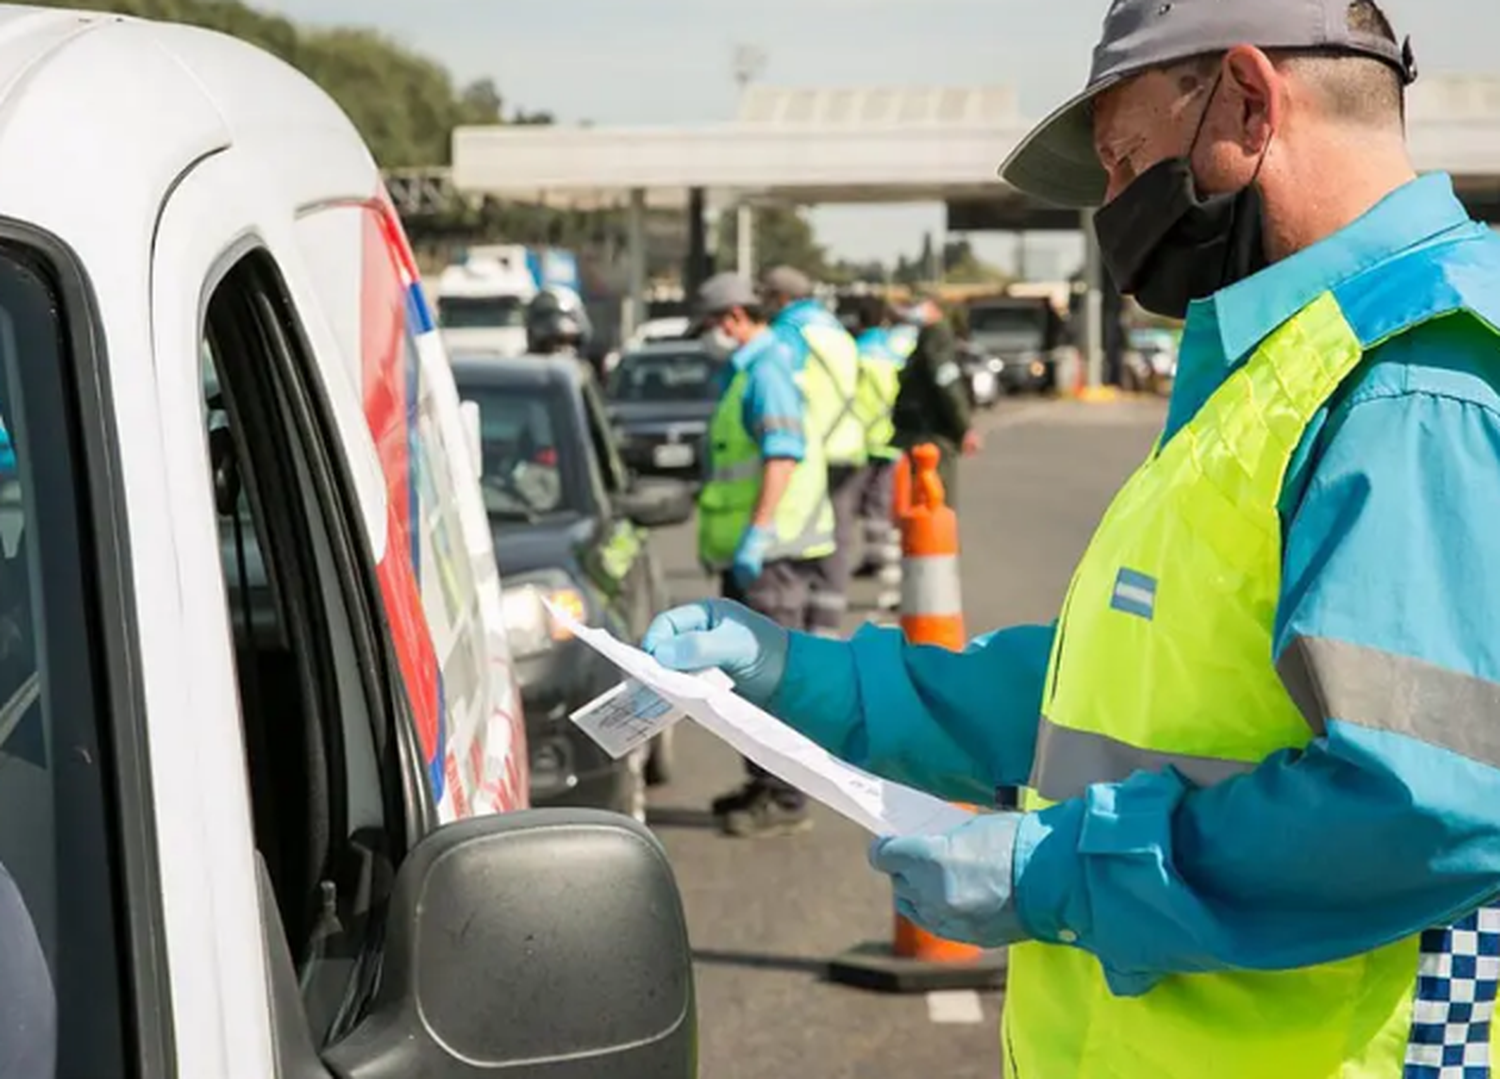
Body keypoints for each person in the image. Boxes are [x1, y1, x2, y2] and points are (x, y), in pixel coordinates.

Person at [645, 2, 1500, 1075]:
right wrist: (806, 679)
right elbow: (1108, 701)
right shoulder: (1293, 363)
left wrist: (1065, 867)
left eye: (1124, 158)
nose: (1111, 205)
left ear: (1247, 100)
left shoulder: (1412, 379)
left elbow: (1426, 799)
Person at [694, 272, 835, 837]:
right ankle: (762, 781)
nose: (708, 337)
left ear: (732, 317)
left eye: (710, 324)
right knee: (745, 679)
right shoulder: (748, 370)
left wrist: (757, 532)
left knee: (771, 681)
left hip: (771, 555)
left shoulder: (767, 371)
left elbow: (782, 456)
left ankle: (785, 797)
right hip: (755, 555)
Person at [759, 267, 864, 637]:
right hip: (849, 443)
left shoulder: (790, 332)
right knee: (839, 535)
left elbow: (781, 387)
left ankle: (805, 628)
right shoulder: (835, 331)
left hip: (816, 449)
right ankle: (828, 624)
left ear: (780, 298)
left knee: (805, 538)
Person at [850, 297, 915, 611]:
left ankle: (873, 555)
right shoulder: (897, 352)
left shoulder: (854, 353)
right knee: (886, 500)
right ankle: (881, 555)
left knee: (857, 504)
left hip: (859, 439)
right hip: (891, 435)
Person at [889, 293, 978, 508]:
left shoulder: (936, 336)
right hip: (922, 431)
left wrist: (964, 426)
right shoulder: (929, 336)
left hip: (930, 432)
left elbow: (947, 382)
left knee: (932, 503)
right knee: (926, 502)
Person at [524, 287, 592, 359]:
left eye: (573, 343)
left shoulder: (585, 367)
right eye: (558, 342)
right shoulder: (519, 368)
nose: (566, 350)